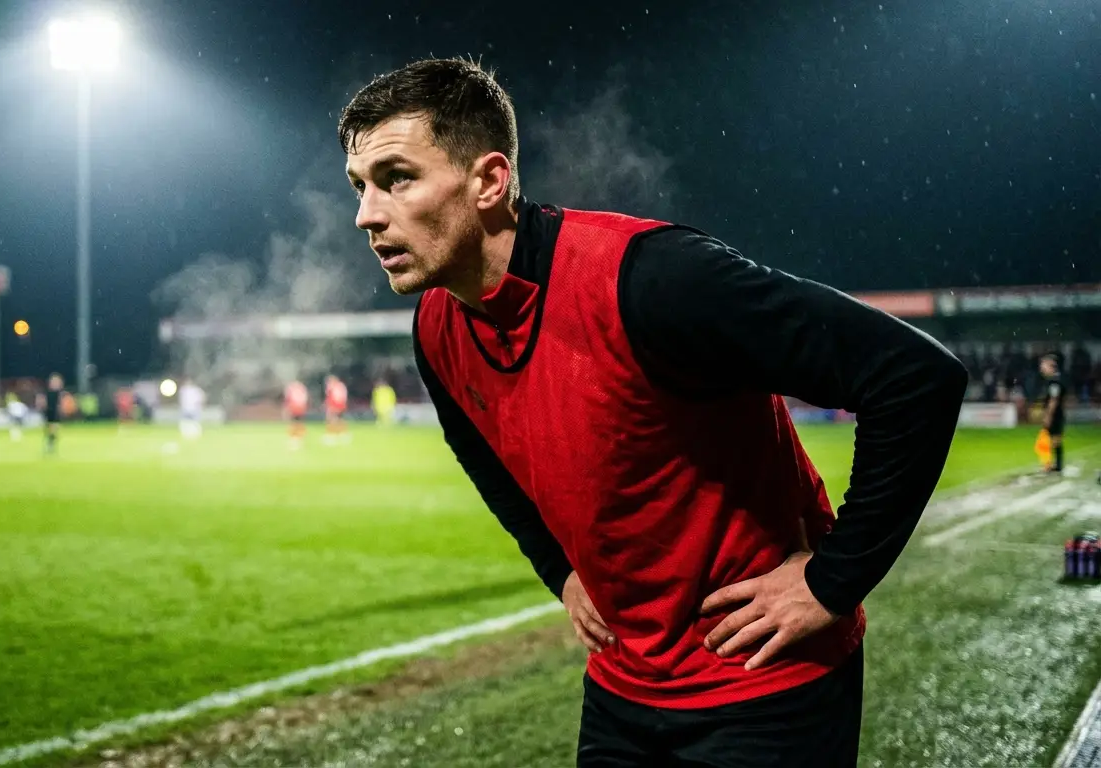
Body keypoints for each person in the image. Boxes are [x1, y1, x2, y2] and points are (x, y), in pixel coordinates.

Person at [338, 57, 968, 766]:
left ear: (488, 180)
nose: (366, 214)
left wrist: (832, 581)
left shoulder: (652, 279)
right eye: (360, 187)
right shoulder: (436, 329)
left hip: (766, 683)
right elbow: (487, 459)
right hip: (622, 689)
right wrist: (559, 569)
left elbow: (915, 377)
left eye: (397, 179)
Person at [1039, 354, 1066, 474]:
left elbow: (1053, 400)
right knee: (1055, 440)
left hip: (1055, 415)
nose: (1042, 368)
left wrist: (1048, 416)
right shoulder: (1055, 380)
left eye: (1044, 365)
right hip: (1057, 414)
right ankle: (1056, 464)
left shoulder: (1054, 382)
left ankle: (1052, 465)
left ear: (1052, 366)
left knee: (1053, 440)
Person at [39, 373, 65, 455]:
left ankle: (51, 444)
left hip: (55, 413)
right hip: (48, 412)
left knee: (54, 429)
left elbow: (61, 404)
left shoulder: (60, 393)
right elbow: (42, 402)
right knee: (49, 430)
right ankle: (50, 443)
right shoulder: (46, 392)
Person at [323, 374, 350, 445]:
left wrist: (331, 406)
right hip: (341, 405)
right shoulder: (341, 386)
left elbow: (332, 397)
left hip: (335, 405)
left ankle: (332, 435)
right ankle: (342, 434)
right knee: (339, 420)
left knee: (332, 420)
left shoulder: (334, 387)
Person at [283, 379, 309, 450]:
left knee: (294, 423)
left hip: (295, 408)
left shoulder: (292, 389)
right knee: (298, 423)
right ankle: (299, 438)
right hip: (300, 408)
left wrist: (287, 409)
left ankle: (295, 438)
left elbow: (288, 399)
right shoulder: (302, 389)